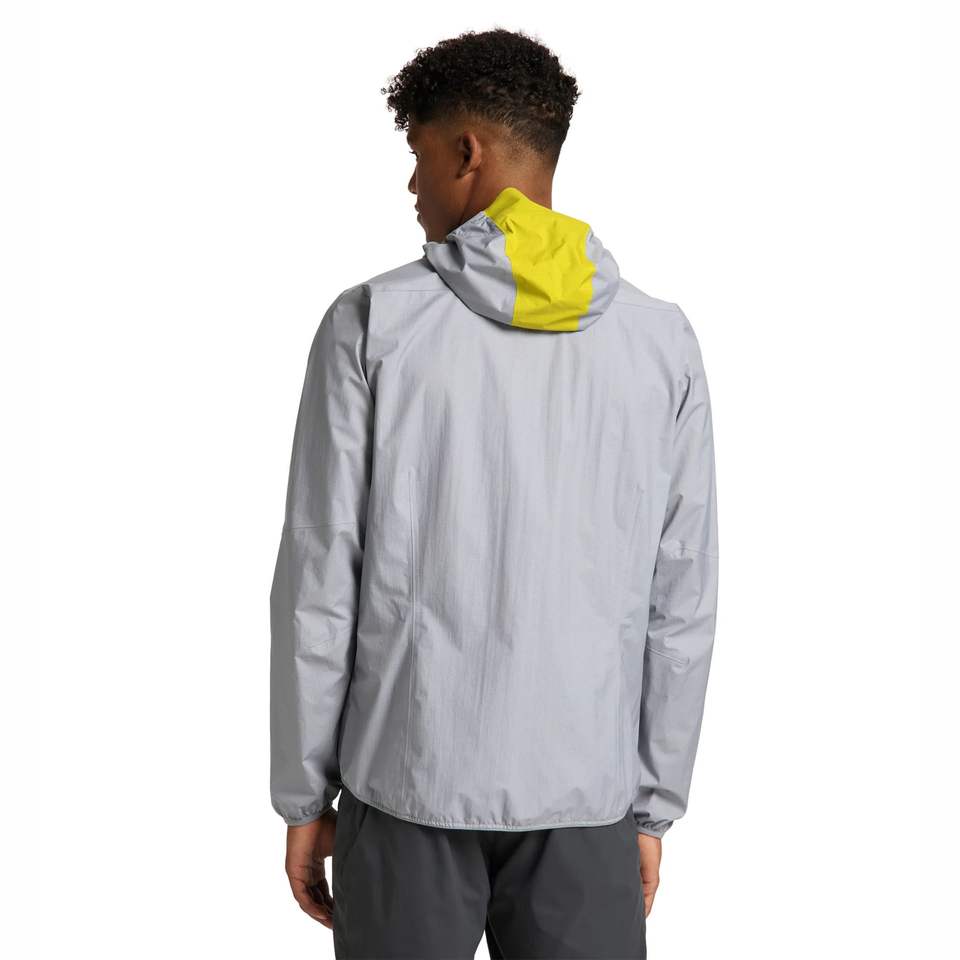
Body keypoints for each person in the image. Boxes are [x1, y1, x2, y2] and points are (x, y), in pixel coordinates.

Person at [269, 27, 719, 960]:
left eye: (419, 155)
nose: (412, 186)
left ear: (467, 152)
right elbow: (682, 599)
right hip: (588, 798)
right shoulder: (660, 342)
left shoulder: (372, 325)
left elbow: (320, 583)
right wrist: (650, 806)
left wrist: (305, 798)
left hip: (406, 789)